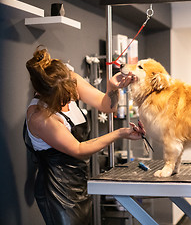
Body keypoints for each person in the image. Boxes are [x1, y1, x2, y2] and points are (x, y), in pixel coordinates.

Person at [24, 46, 145, 225]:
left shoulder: (67, 79)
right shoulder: (40, 117)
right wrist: (119, 133)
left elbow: (107, 107)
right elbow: (79, 149)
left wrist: (112, 87)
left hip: (80, 180)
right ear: (45, 95)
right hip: (58, 190)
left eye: (70, 94)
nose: (69, 100)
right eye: (63, 98)